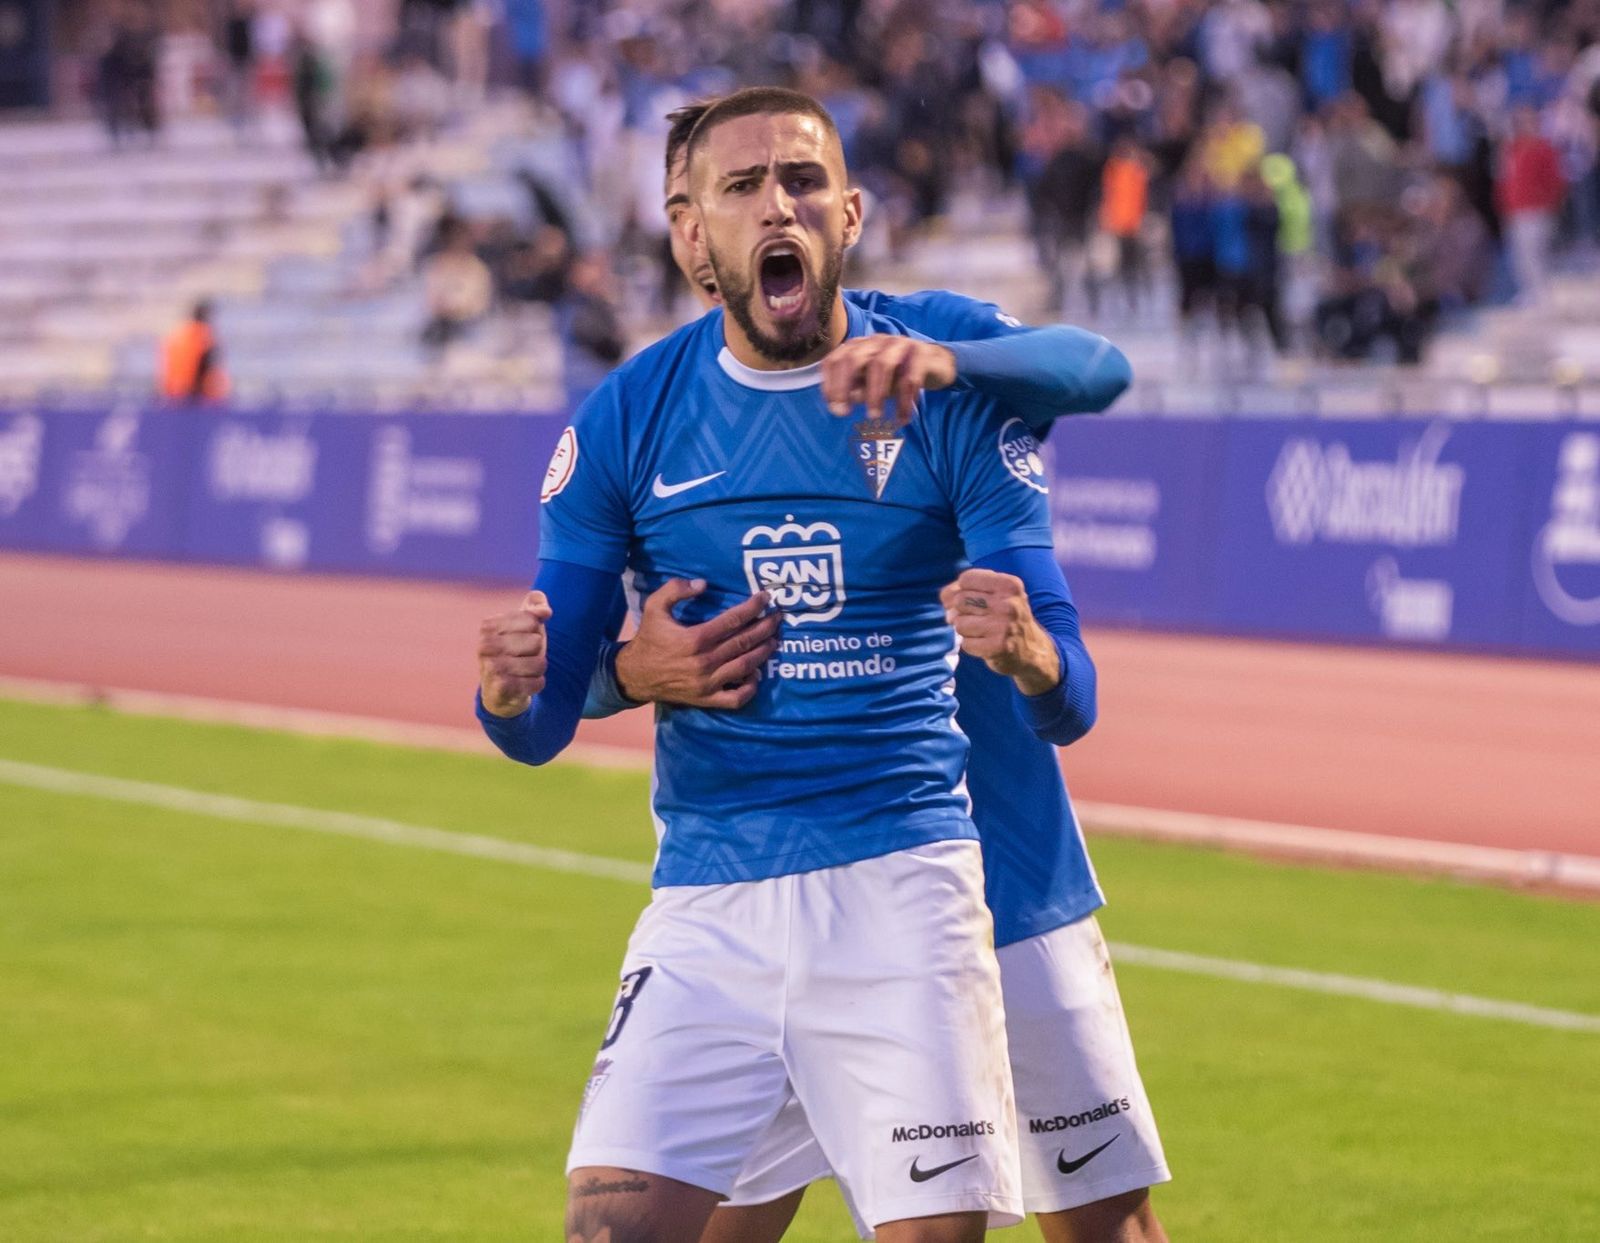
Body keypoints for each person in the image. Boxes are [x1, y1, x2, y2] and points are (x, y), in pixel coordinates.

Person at [476, 87, 1106, 1243]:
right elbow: (535, 718)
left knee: (1082, 1224)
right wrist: (525, 684)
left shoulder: (931, 372)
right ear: (689, 233)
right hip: (713, 901)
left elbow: (1095, 371)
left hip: (915, 876)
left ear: (850, 213)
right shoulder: (625, 418)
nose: (779, 204)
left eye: (803, 180)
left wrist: (957, 367)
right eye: (743, 186)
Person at [159, 301, 229, 404]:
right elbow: (206, 363)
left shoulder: (177, 334)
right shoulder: (204, 334)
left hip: (173, 392)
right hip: (192, 394)